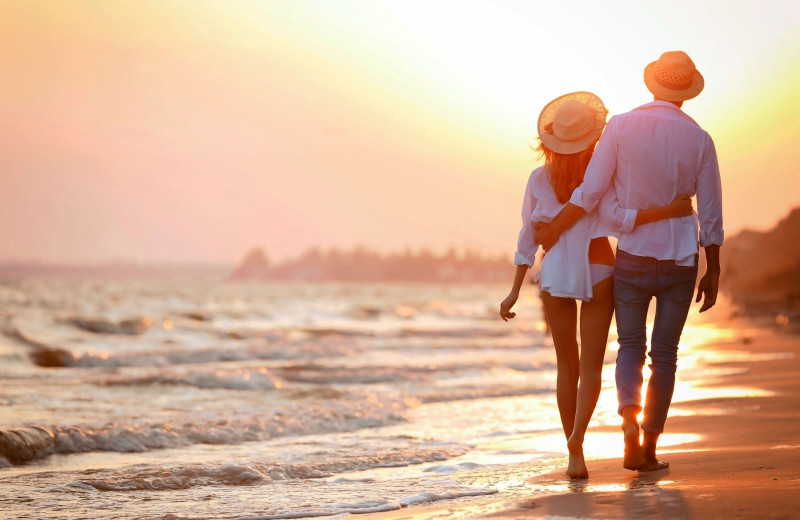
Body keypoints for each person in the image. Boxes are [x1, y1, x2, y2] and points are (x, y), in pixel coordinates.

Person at [535, 51, 724, 473]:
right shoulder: (701, 139)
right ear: (686, 93)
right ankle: (649, 448)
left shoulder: (621, 126)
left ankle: (628, 426)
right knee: (666, 355)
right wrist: (714, 267)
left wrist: (552, 231)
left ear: (651, 84)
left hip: (634, 257)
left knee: (631, 347)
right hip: (681, 258)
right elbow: (710, 210)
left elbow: (590, 192)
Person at [499, 92, 693, 479]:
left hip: (554, 273)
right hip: (600, 266)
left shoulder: (538, 179)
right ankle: (577, 435)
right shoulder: (605, 176)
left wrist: (515, 288)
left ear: (550, 140)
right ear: (594, 138)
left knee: (565, 365)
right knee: (591, 367)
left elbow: (527, 237)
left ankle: (576, 454)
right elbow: (621, 219)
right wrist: (669, 211)